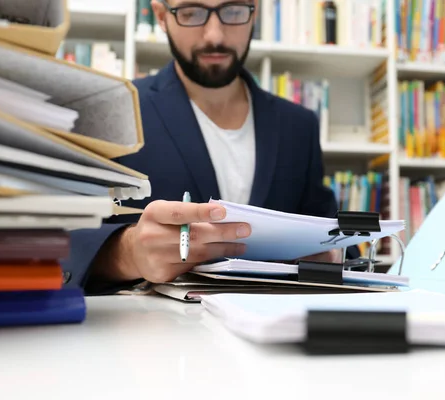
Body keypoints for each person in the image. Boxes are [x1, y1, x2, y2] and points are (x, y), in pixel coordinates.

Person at [61, 0, 357, 294]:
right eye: (191, 13)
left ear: (254, 13)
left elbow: (335, 242)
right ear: (162, 16)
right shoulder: (110, 111)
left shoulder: (299, 126)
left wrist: (331, 254)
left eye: (233, 12)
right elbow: (59, 238)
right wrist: (126, 252)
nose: (215, 36)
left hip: (271, 331)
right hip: (150, 333)